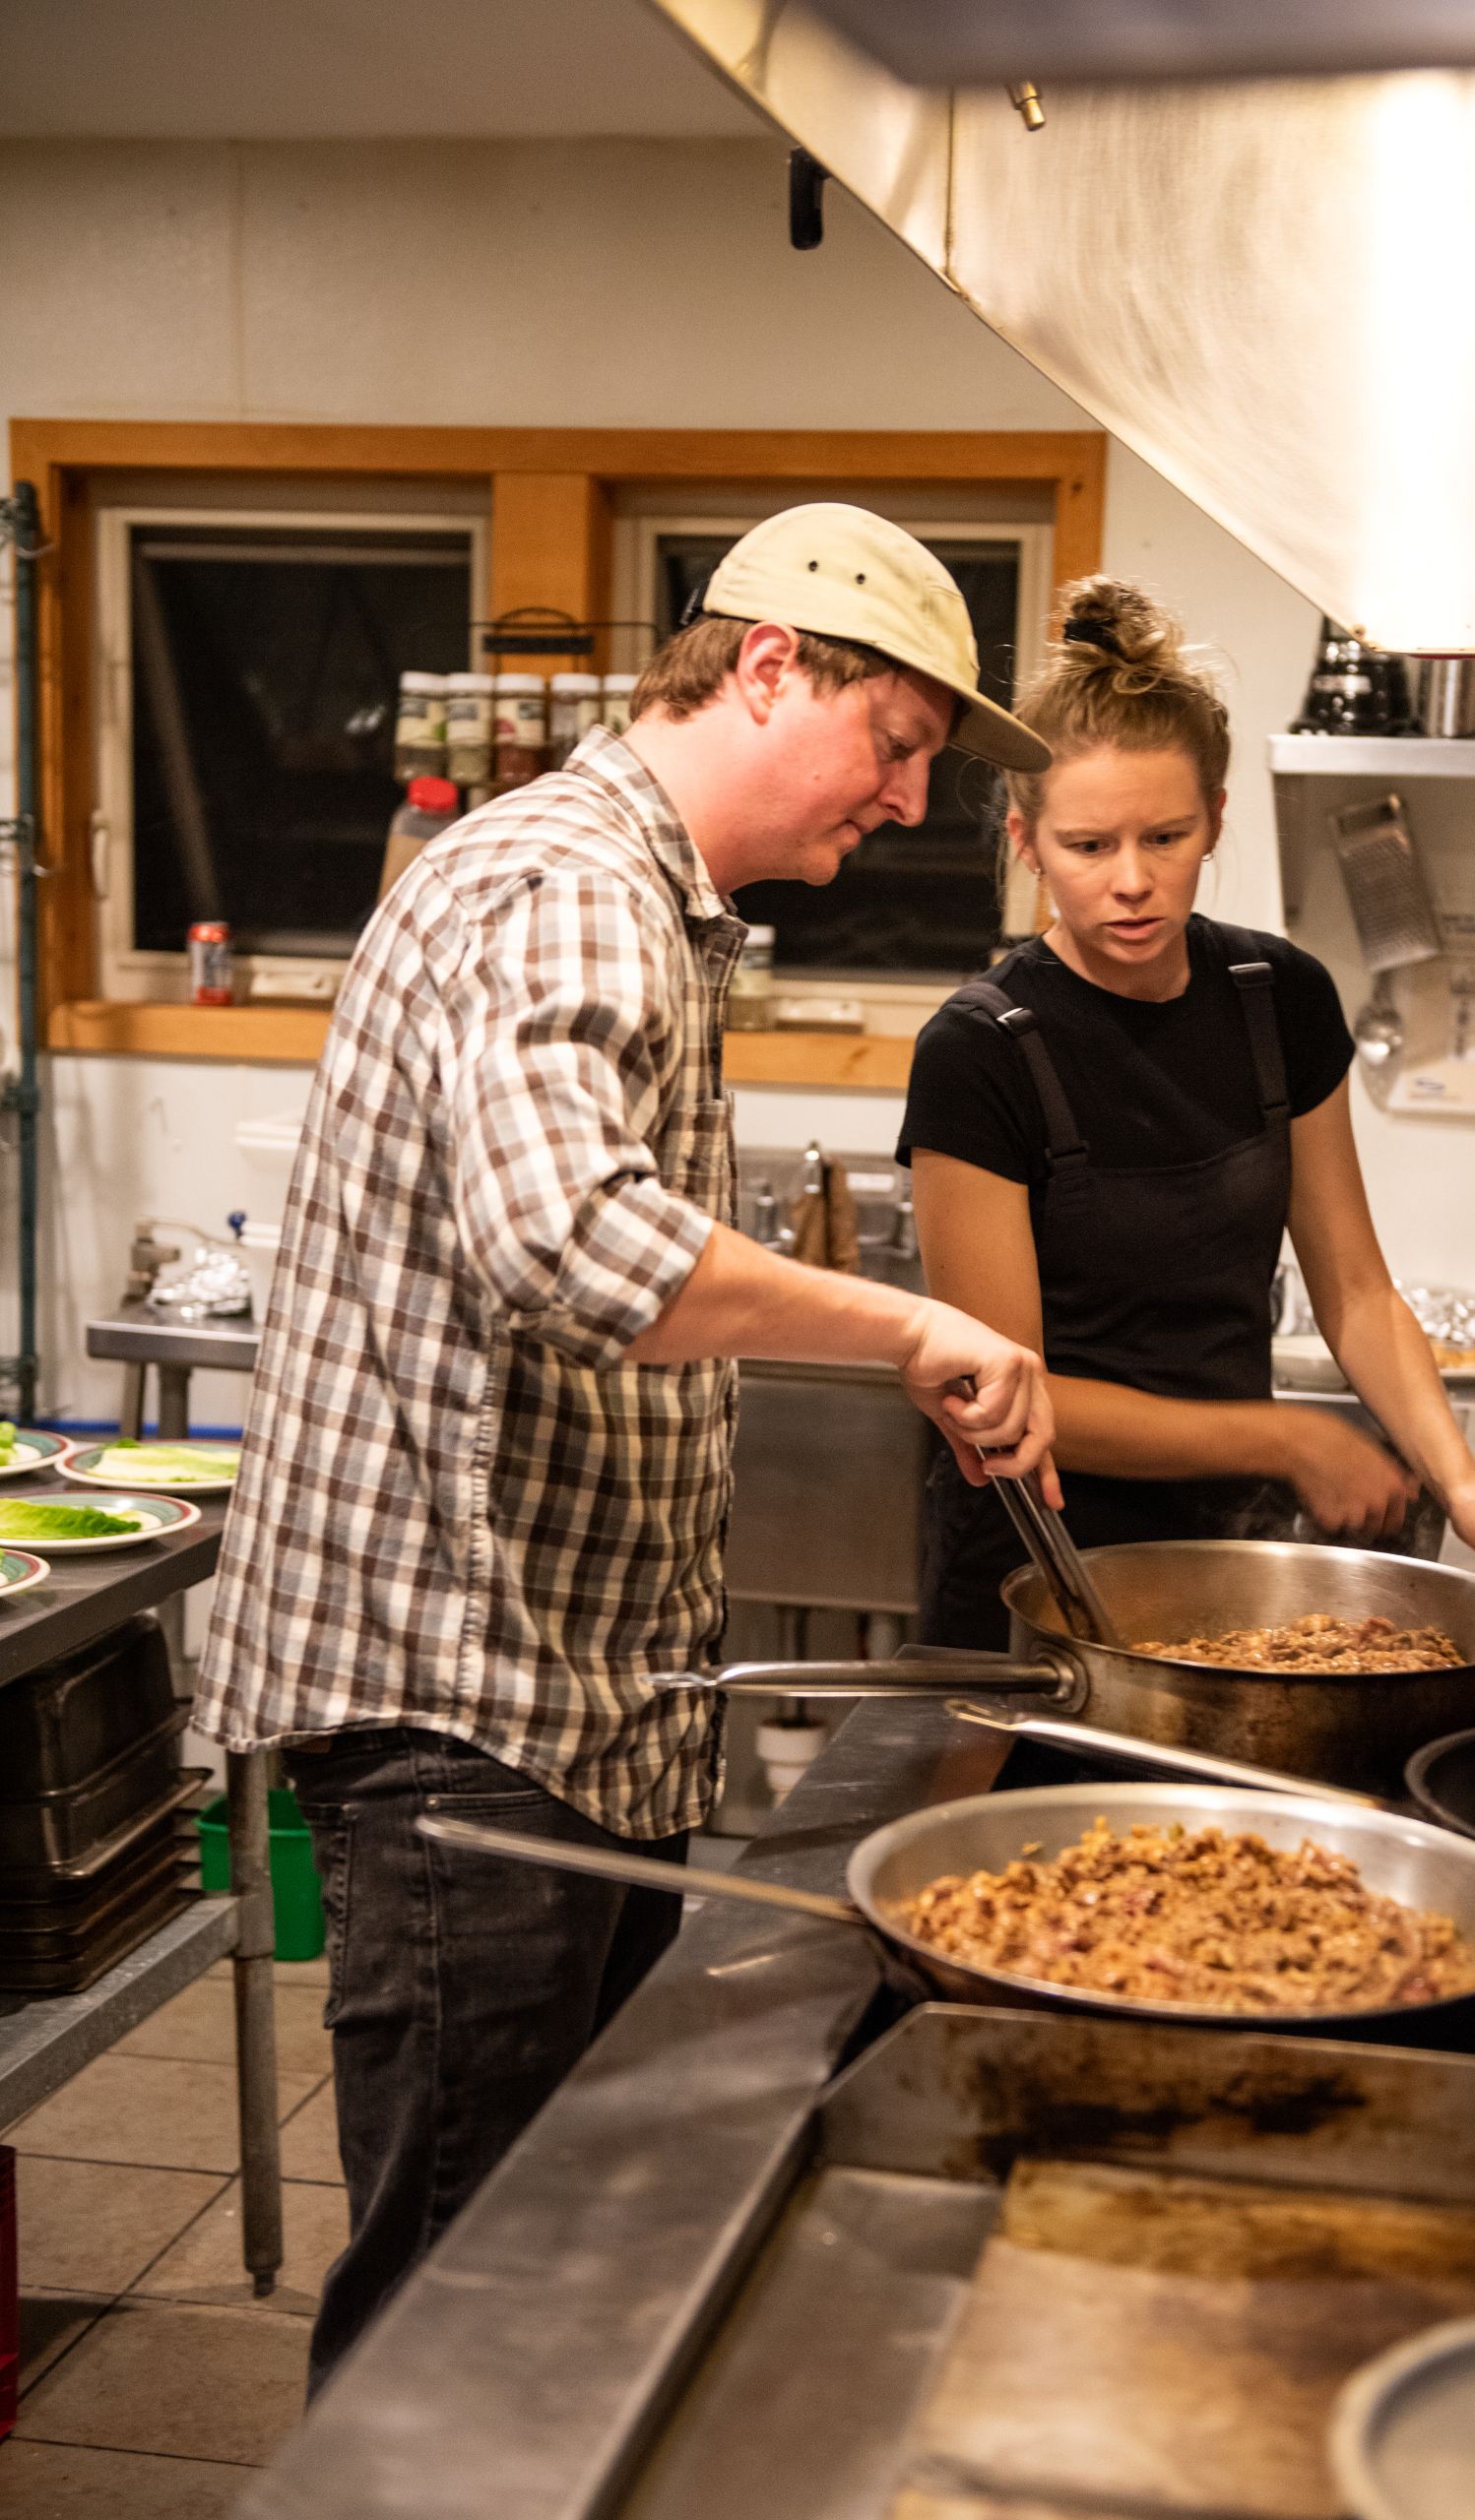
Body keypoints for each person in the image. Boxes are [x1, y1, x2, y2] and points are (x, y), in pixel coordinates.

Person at [192, 504, 1058, 2389]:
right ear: (767, 668)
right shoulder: (571, 881)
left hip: (558, 1701)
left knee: (530, 2274)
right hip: (471, 1711)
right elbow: (573, 1242)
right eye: (894, 746)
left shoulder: (640, 895)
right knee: (455, 2308)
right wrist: (912, 1324)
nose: (904, 806)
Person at [899, 576, 1475, 1651]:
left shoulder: (1278, 997)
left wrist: (1463, 1487)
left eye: (1164, 837)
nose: (1132, 882)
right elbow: (1003, 1396)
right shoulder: (978, 1051)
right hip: (1039, 1574)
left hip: (1225, 1561)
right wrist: (1281, 1438)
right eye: (1086, 847)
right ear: (1025, 841)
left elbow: (1353, 1290)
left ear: (1214, 819)